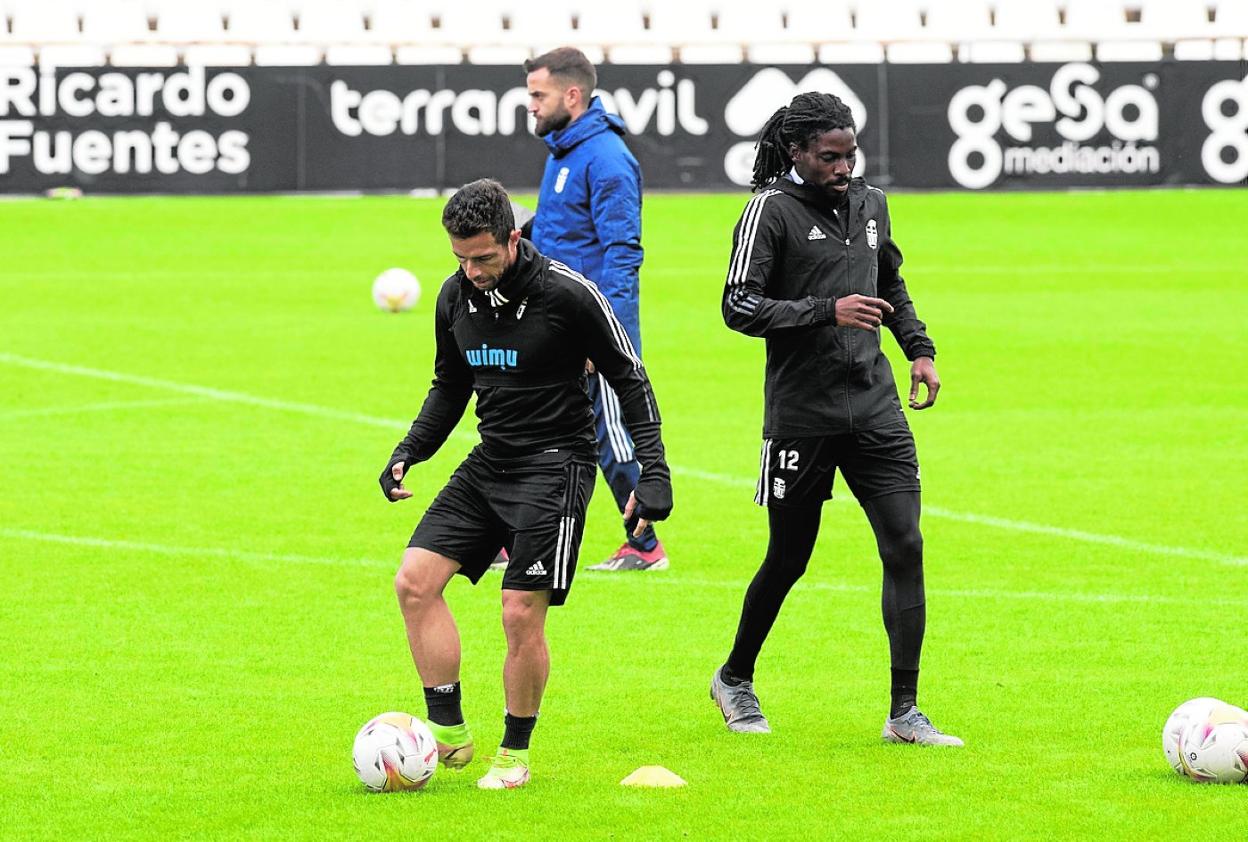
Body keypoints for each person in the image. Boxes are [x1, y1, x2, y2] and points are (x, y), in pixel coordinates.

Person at [380, 179, 673, 789]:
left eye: (483, 256)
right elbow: (449, 385)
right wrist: (412, 449)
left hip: (558, 466)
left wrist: (654, 473)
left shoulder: (568, 295)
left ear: (513, 238)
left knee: (518, 613)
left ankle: (514, 753)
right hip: (491, 461)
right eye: (460, 257)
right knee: (413, 583)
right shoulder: (453, 296)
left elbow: (631, 379)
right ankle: (449, 735)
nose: (471, 269)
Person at [708, 92, 962, 747]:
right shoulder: (769, 213)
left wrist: (920, 350)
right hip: (802, 416)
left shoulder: (872, 204)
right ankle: (734, 677)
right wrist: (825, 310)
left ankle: (904, 711)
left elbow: (891, 286)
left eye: (850, 153)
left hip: (875, 409)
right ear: (797, 153)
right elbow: (739, 306)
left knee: (906, 546)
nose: (844, 166)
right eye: (829, 157)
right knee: (789, 557)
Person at [521, 46, 668, 572]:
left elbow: (621, 254)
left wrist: (610, 343)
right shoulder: (563, 152)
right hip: (553, 325)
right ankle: (509, 533)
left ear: (572, 95)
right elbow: (560, 231)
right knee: (528, 425)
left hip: (593, 332)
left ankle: (646, 545)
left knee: (612, 436)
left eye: (538, 95)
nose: (531, 105)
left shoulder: (606, 159)